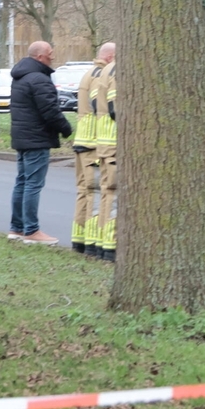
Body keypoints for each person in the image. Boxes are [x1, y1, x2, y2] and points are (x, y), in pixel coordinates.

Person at [8, 41, 73, 245]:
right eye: (49, 53)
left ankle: (17, 228)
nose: (52, 57)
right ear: (39, 57)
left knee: (22, 182)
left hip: (22, 137)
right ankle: (31, 230)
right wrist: (66, 128)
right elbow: (50, 111)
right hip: (37, 138)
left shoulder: (21, 77)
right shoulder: (39, 79)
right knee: (33, 184)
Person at [72, 42, 114, 255]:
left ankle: (80, 239)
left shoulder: (89, 72)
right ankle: (95, 242)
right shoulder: (101, 75)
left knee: (85, 192)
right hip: (94, 143)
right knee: (98, 192)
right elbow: (102, 104)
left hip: (83, 140)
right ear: (110, 57)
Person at [92, 56, 118, 261]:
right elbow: (116, 109)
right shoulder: (117, 71)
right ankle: (111, 244)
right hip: (115, 143)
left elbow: (95, 104)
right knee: (113, 194)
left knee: (105, 193)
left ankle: (102, 241)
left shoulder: (104, 71)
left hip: (103, 142)